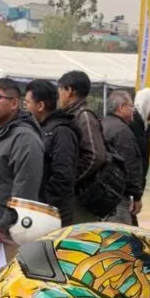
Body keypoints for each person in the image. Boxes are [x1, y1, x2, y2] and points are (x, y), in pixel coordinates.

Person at [0, 78, 45, 285]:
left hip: (7, 231)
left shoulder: (24, 138)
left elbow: (25, 189)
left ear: (14, 103)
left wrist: (5, 224)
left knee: (9, 285)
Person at [24, 79, 78, 227]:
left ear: (40, 105)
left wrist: (42, 202)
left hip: (54, 214)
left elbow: (63, 176)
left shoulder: (61, 131)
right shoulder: (41, 129)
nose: (25, 108)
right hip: (42, 211)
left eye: (27, 103)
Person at [57, 70, 108, 223]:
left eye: (60, 89)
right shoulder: (71, 115)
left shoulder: (84, 116)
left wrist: (71, 178)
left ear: (69, 91)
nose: (58, 95)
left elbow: (95, 155)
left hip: (82, 195)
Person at [102, 90, 145, 225]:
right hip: (117, 197)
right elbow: (130, 165)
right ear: (121, 107)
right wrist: (137, 196)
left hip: (100, 194)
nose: (133, 110)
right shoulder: (122, 131)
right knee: (118, 240)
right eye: (131, 106)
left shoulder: (101, 124)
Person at [130, 89, 150, 225]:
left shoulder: (143, 125)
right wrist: (136, 195)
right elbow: (134, 163)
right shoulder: (133, 126)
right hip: (128, 192)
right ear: (146, 103)